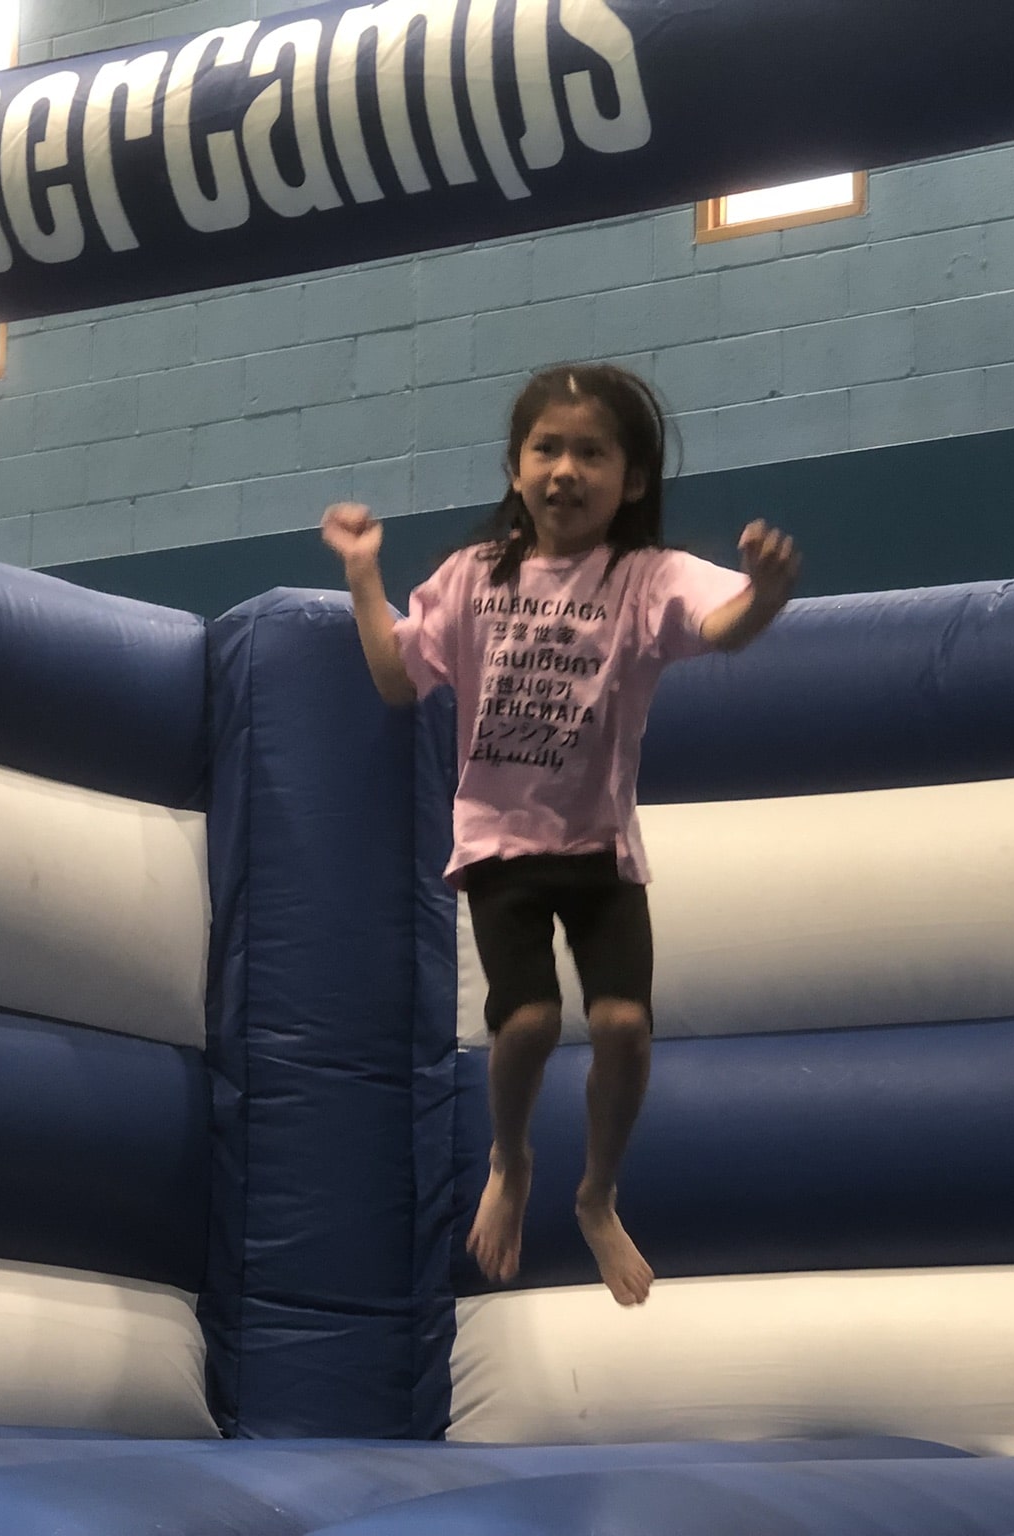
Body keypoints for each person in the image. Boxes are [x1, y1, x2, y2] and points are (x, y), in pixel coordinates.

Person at [321, 363, 800, 1306]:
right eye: (547, 448)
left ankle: (598, 1194)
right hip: (500, 845)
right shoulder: (471, 579)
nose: (566, 470)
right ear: (514, 466)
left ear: (632, 479)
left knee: (623, 1027)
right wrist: (365, 574)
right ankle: (510, 1159)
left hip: (599, 850)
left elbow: (724, 623)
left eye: (592, 452)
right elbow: (394, 678)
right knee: (531, 1020)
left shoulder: (643, 575)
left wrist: (770, 595)